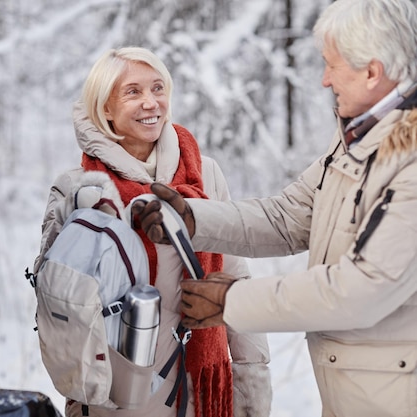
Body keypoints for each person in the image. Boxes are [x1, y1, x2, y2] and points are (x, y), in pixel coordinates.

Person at [130, 1, 417, 416]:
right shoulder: (358, 143)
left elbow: (362, 289)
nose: (324, 80)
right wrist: (193, 219)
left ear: (372, 72)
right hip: (360, 392)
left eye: (332, 66)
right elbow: (285, 219)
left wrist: (232, 300)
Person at [34, 47, 272, 417]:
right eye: (133, 92)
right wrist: (81, 394)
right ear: (105, 108)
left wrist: (250, 376)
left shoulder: (205, 174)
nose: (151, 103)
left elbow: (234, 274)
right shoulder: (79, 187)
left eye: (157, 88)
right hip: (121, 392)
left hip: (200, 389)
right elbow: (57, 303)